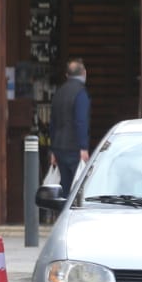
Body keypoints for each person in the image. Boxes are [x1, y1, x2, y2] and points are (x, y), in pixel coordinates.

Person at [50, 58, 91, 196]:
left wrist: (53, 150)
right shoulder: (80, 93)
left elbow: (53, 123)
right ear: (84, 73)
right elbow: (81, 121)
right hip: (75, 148)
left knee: (65, 190)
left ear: (67, 75)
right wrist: (83, 147)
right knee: (78, 190)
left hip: (59, 147)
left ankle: (63, 216)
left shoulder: (59, 93)